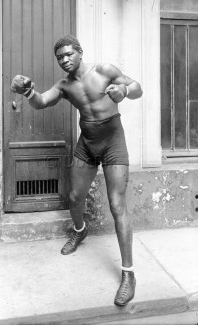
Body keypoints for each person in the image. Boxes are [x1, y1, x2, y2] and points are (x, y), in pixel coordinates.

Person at [11, 35, 143, 306]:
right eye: (60, 57)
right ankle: (80, 230)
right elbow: (42, 101)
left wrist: (125, 91)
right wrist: (27, 91)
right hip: (87, 144)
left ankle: (129, 274)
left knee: (117, 205)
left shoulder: (104, 71)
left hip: (113, 143)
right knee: (73, 197)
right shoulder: (64, 85)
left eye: (69, 54)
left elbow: (138, 87)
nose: (65, 60)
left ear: (80, 52)